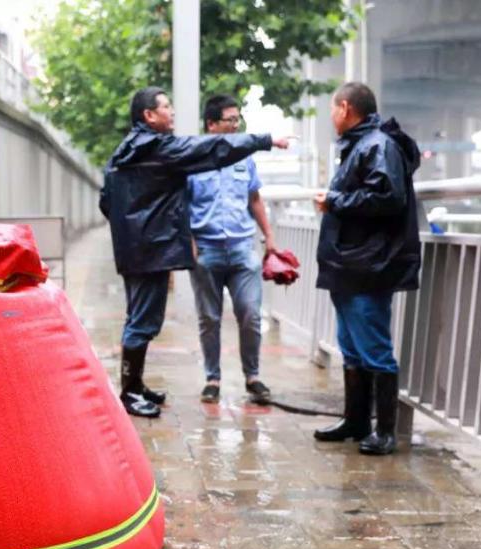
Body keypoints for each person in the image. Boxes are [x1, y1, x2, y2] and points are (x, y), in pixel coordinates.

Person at [100, 87, 288, 418]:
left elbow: (107, 201)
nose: (172, 112)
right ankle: (129, 394)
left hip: (141, 247)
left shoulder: (127, 149)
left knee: (142, 317)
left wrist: (134, 231)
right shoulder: (157, 147)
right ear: (149, 115)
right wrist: (264, 139)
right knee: (142, 321)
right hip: (149, 249)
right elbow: (212, 149)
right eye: (166, 107)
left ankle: (137, 386)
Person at [312, 82, 421, 456]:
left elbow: (388, 198)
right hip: (352, 264)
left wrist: (335, 199)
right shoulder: (362, 144)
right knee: (352, 347)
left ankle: (385, 432)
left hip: (368, 265)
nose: (331, 116)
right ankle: (356, 421)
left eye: (332, 109)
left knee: (374, 348)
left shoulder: (377, 145)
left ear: (345, 108)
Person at [187, 94, 277, 405]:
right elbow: (181, 206)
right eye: (230, 120)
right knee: (209, 318)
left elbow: (254, 200)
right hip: (207, 252)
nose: (236, 125)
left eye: (238, 120)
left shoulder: (244, 159)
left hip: (242, 249)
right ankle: (212, 378)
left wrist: (269, 237)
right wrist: (190, 244)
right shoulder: (193, 160)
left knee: (251, 314)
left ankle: (252, 376)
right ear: (211, 124)